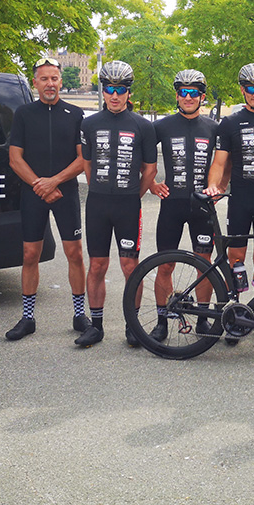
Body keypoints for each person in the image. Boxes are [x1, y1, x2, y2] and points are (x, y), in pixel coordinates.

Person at [5, 57, 89, 342]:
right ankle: (27, 318)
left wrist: (54, 182)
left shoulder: (75, 114)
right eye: (44, 79)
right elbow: (15, 158)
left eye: (54, 78)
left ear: (61, 81)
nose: (50, 84)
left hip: (64, 192)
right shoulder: (24, 114)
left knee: (75, 253)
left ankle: (79, 314)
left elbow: (83, 159)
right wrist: (40, 185)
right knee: (29, 255)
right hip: (33, 194)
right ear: (35, 83)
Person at [75, 61, 157, 348]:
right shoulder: (89, 123)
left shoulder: (142, 126)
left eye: (120, 89)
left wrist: (135, 196)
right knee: (97, 265)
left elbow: (150, 169)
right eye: (109, 88)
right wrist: (101, 189)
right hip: (98, 203)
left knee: (129, 265)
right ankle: (95, 326)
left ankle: (132, 326)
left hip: (127, 204)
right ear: (103, 90)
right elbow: (87, 165)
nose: (114, 95)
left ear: (128, 92)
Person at [204, 63, 254, 341]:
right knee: (235, 260)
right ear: (242, 90)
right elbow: (219, 161)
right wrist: (213, 186)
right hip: (240, 200)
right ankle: (236, 317)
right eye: (250, 88)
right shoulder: (229, 122)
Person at [149, 69, 219, 340]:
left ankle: (203, 319)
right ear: (177, 96)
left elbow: (223, 163)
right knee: (165, 265)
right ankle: (162, 321)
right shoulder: (162, 126)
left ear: (202, 97)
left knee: (204, 262)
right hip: (172, 204)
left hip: (202, 206)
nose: (188, 97)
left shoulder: (213, 127)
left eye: (194, 93)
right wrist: (153, 183)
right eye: (183, 93)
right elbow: (141, 157)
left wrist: (219, 186)